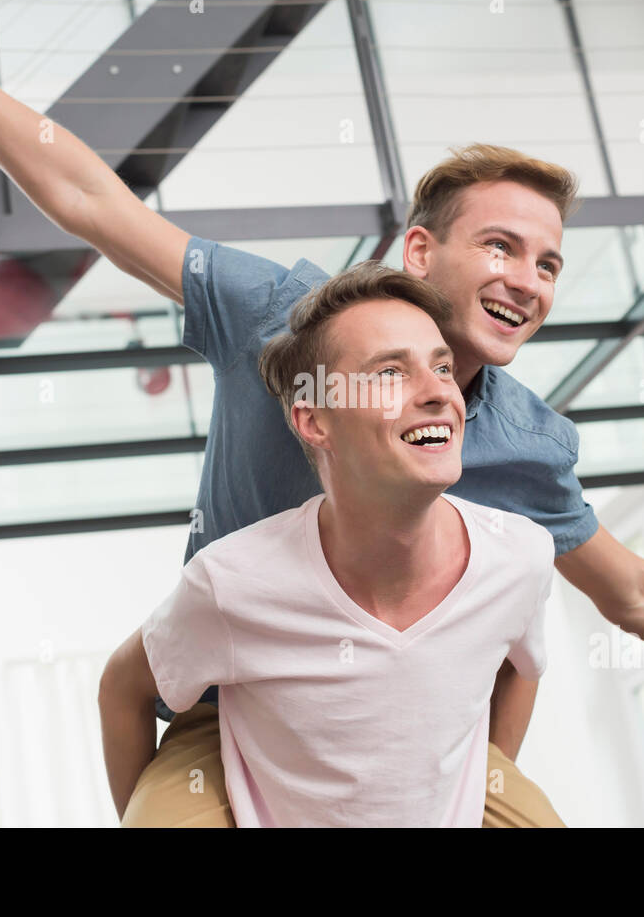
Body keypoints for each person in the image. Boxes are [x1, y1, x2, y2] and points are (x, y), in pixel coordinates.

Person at [0, 0, 644, 827]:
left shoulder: (523, 445)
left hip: (410, 715)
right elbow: (88, 195)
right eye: (500, 245)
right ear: (419, 249)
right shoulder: (274, 315)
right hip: (232, 696)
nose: (529, 279)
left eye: (547, 262)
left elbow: (627, 590)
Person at [107, 263, 564, 826]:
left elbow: (524, 664)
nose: (438, 393)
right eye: (391, 373)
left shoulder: (521, 556)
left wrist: (483, 780)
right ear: (314, 420)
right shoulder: (233, 584)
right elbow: (122, 689)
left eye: (442, 367)